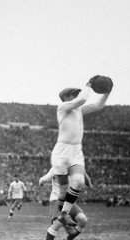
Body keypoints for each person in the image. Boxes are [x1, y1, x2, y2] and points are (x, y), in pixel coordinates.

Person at [51, 77, 111, 228]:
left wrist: (107, 92)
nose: (76, 96)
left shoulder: (78, 110)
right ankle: (61, 216)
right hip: (62, 151)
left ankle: (64, 214)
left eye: (77, 93)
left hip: (76, 150)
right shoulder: (63, 107)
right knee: (64, 189)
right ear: (66, 97)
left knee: (78, 182)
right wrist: (89, 85)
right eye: (73, 94)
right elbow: (83, 99)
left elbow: (98, 105)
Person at [39, 168, 90, 240]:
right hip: (56, 200)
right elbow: (43, 180)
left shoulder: (75, 168)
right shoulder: (56, 168)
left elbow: (86, 183)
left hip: (68, 202)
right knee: (58, 223)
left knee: (83, 220)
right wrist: (41, 181)